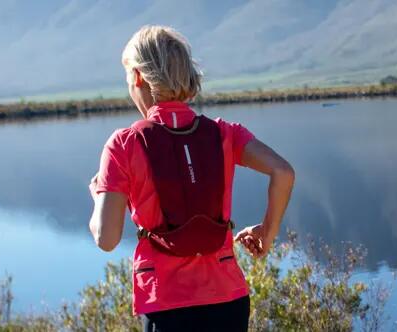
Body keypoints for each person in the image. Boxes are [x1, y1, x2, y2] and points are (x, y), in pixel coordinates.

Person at [88, 25, 295, 332]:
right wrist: (267, 231)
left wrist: (97, 196)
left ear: (138, 78)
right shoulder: (225, 133)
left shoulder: (124, 144)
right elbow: (283, 172)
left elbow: (106, 239)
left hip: (167, 304)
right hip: (229, 300)